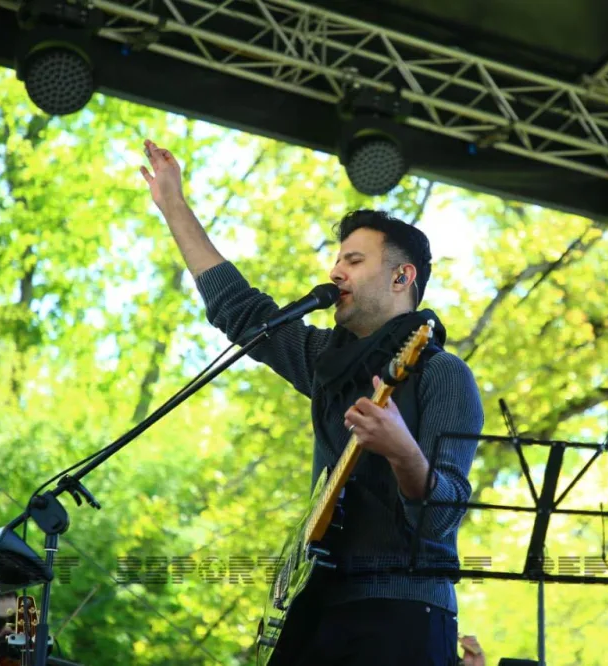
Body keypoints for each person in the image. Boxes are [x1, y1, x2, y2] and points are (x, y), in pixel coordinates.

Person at [140, 139, 484, 665]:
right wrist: (173, 206)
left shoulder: (444, 374)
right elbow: (240, 311)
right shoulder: (327, 360)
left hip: (403, 613)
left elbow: (442, 517)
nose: (335, 272)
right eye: (336, 260)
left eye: (353, 259)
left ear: (401, 275)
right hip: (317, 606)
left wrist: (401, 451)